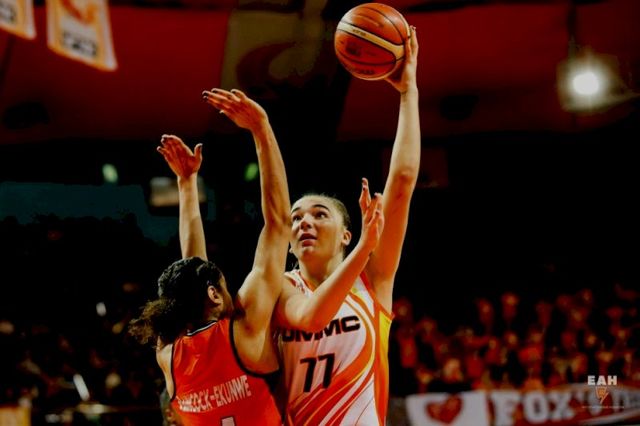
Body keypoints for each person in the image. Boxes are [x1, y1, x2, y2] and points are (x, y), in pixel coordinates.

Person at [130, 87, 385, 425]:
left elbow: (192, 273)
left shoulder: (168, 352)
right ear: (213, 294)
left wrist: (187, 185)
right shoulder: (243, 332)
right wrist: (262, 129)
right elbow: (278, 222)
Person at [273, 26, 420, 425]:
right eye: (296, 217)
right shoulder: (281, 288)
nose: (304, 221)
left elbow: (402, 182)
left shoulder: (372, 279)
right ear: (287, 242)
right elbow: (309, 318)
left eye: (320, 214)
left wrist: (408, 91)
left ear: (346, 234)